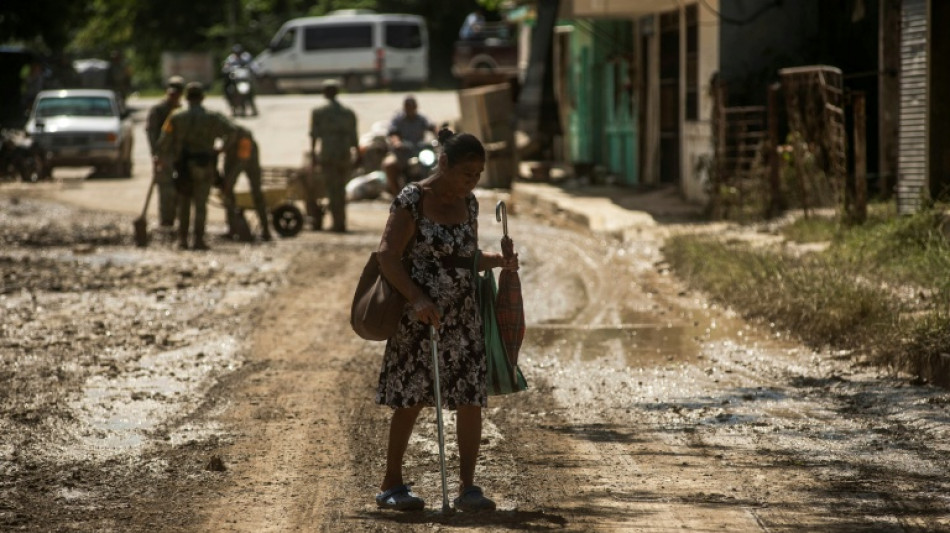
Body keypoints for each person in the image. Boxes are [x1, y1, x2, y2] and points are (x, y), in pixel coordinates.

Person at [373, 128, 519, 512]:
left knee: (470, 398)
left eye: (478, 175)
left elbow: (466, 258)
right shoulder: (412, 200)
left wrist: (498, 261)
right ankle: (391, 484)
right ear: (443, 163)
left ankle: (468, 488)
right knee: (412, 397)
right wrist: (417, 298)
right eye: (466, 173)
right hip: (419, 318)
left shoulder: (469, 203)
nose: (472, 181)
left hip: (463, 317)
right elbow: (387, 256)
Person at [157, 82, 238, 251]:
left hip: (184, 167)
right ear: (202, 97)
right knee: (201, 204)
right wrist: (221, 149)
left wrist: (163, 158)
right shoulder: (213, 116)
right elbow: (232, 131)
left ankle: (182, 240)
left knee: (184, 204)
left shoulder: (176, 117)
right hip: (205, 164)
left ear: (186, 98)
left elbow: (163, 141)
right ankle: (198, 240)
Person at [309, 79, 359, 232]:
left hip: (328, 153)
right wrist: (357, 154)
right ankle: (341, 221)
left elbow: (314, 135)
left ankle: (337, 223)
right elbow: (354, 136)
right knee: (341, 189)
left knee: (332, 189)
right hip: (344, 153)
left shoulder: (319, 111)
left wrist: (313, 154)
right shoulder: (348, 112)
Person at [146, 75, 185, 228]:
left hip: (180, 155)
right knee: (165, 188)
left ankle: (180, 219)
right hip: (164, 154)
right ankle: (166, 221)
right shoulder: (158, 110)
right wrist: (155, 154)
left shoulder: (182, 110)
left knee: (181, 188)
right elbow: (151, 132)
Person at [221, 125, 272, 242]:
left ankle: (233, 230)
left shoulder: (238, 140)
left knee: (228, 191)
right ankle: (265, 230)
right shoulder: (244, 139)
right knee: (257, 194)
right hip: (245, 152)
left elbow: (240, 162)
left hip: (241, 153)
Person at [382, 95, 436, 196]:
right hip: (402, 151)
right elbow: (393, 133)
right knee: (389, 165)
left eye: (412, 106)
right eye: (408, 106)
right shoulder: (398, 119)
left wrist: (440, 135)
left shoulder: (422, 118)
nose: (410, 108)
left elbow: (432, 127)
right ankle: (396, 195)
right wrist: (397, 142)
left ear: (416, 107)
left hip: (419, 151)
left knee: (436, 164)